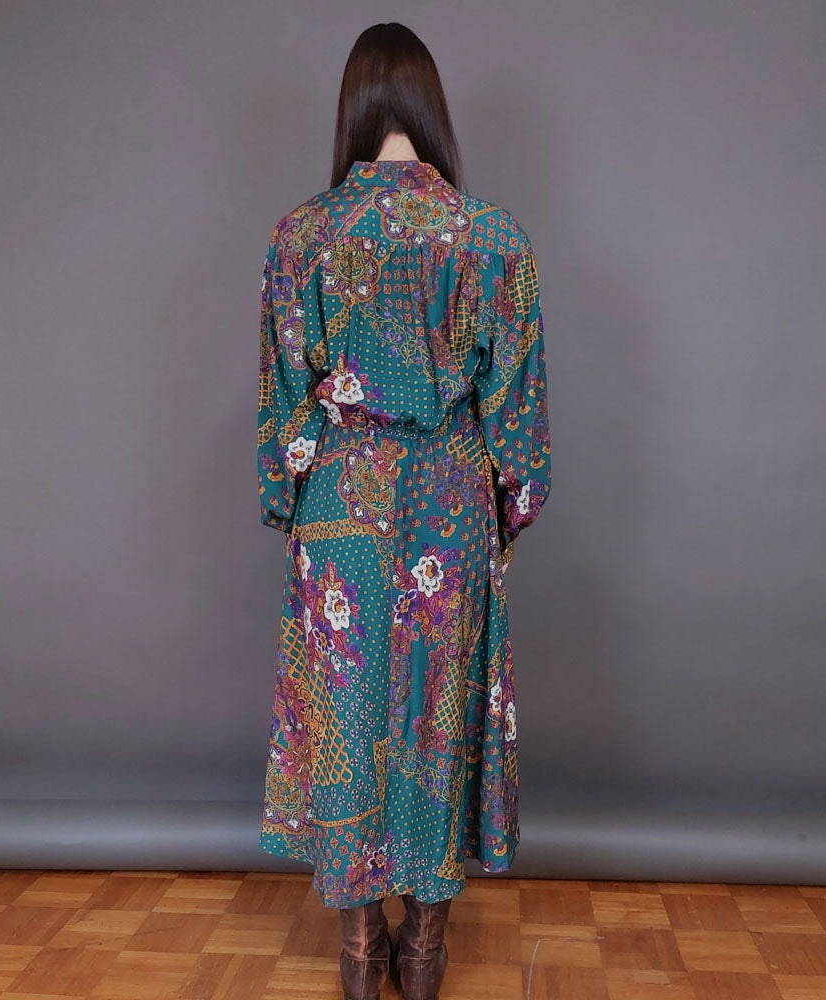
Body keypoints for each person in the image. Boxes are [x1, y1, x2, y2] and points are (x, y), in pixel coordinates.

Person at [255, 21, 552, 1000]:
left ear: (353, 106)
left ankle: (358, 946)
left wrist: (291, 492)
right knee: (436, 714)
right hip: (447, 505)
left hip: (340, 504)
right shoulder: (493, 238)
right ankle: (424, 946)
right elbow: (519, 423)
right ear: (431, 106)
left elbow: (283, 410)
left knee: (346, 713)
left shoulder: (300, 236)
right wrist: (504, 511)